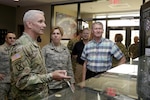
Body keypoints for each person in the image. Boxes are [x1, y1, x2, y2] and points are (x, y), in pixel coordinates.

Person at [10, 10, 71, 100]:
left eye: (44, 22)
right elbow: (22, 82)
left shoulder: (33, 45)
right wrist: (51, 76)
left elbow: (37, 71)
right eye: (40, 21)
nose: (44, 25)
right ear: (29, 24)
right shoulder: (21, 47)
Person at [42, 26, 75, 95]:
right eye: (53, 34)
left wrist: (72, 82)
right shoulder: (45, 49)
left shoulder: (65, 50)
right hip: (50, 85)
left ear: (61, 36)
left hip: (64, 84)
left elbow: (69, 67)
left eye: (58, 33)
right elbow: (42, 67)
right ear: (51, 36)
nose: (55, 35)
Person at [0, 32, 16, 100]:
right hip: (3, 80)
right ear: (6, 39)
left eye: (14, 38)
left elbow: (17, 62)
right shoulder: (0, 49)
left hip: (13, 81)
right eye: (10, 38)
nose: (12, 39)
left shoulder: (16, 50)